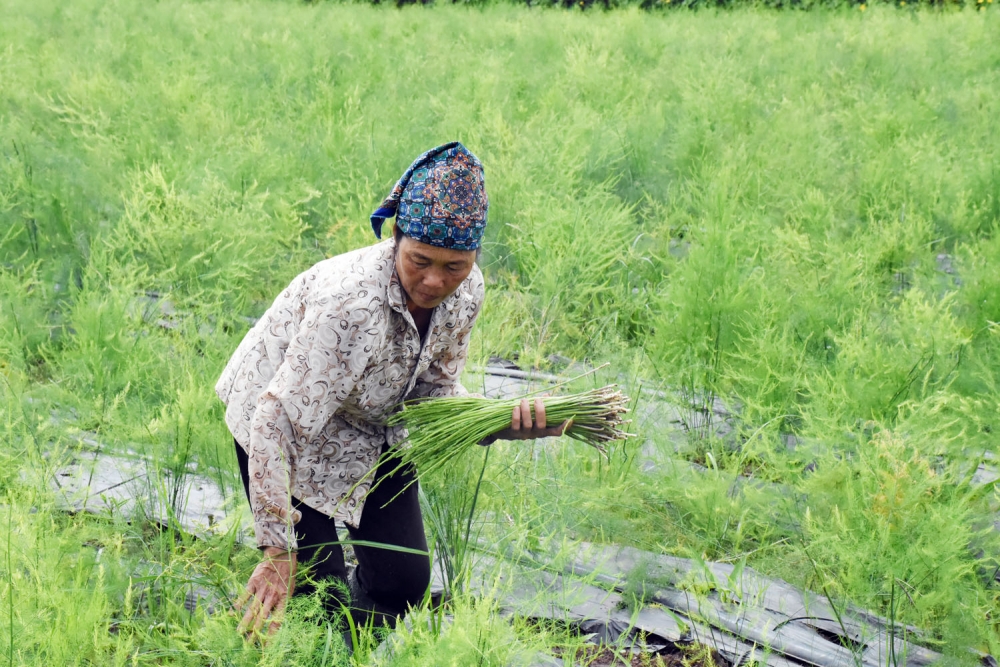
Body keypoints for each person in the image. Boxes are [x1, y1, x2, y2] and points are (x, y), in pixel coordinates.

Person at [215, 142, 567, 638]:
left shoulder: (468, 292)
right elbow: (277, 420)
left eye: (454, 266)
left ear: (473, 257)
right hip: (284, 419)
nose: (433, 281)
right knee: (321, 592)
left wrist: (500, 422)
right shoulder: (350, 303)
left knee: (403, 581)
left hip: (370, 421)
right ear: (395, 239)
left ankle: (346, 649)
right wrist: (277, 548)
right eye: (420, 260)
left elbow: (433, 393)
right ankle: (306, 644)